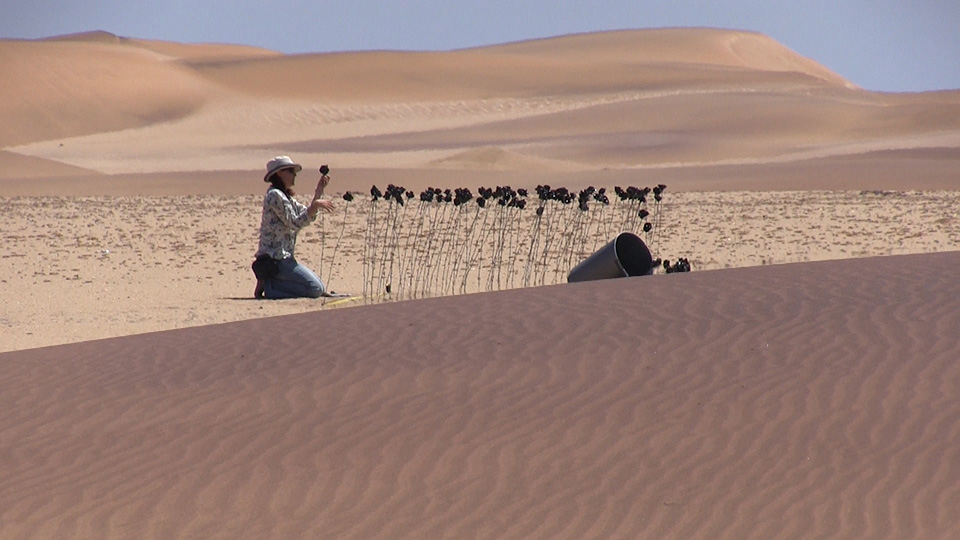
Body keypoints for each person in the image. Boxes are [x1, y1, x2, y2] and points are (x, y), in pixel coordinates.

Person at [253, 156, 335, 299]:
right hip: (275, 259)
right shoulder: (274, 195)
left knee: (320, 287)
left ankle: (272, 282)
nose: (294, 175)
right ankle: (270, 286)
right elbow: (295, 223)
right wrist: (315, 206)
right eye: (290, 171)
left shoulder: (285, 196)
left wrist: (318, 191)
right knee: (315, 289)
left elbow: (305, 213)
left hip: (286, 258)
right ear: (279, 173)